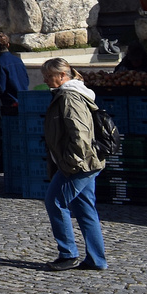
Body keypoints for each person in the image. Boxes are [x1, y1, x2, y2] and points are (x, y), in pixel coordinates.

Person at [40, 58, 107, 270]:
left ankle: (68, 253)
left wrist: (71, 162)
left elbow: (80, 134)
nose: (46, 79)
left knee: (55, 201)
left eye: (50, 75)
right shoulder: (73, 93)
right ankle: (97, 259)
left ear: (62, 75)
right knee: (85, 208)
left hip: (79, 163)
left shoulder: (69, 96)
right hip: (86, 162)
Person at [0, 33, 29, 109]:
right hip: (23, 100)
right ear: (8, 45)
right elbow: (26, 81)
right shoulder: (18, 60)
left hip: (10, 103)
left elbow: (0, 88)